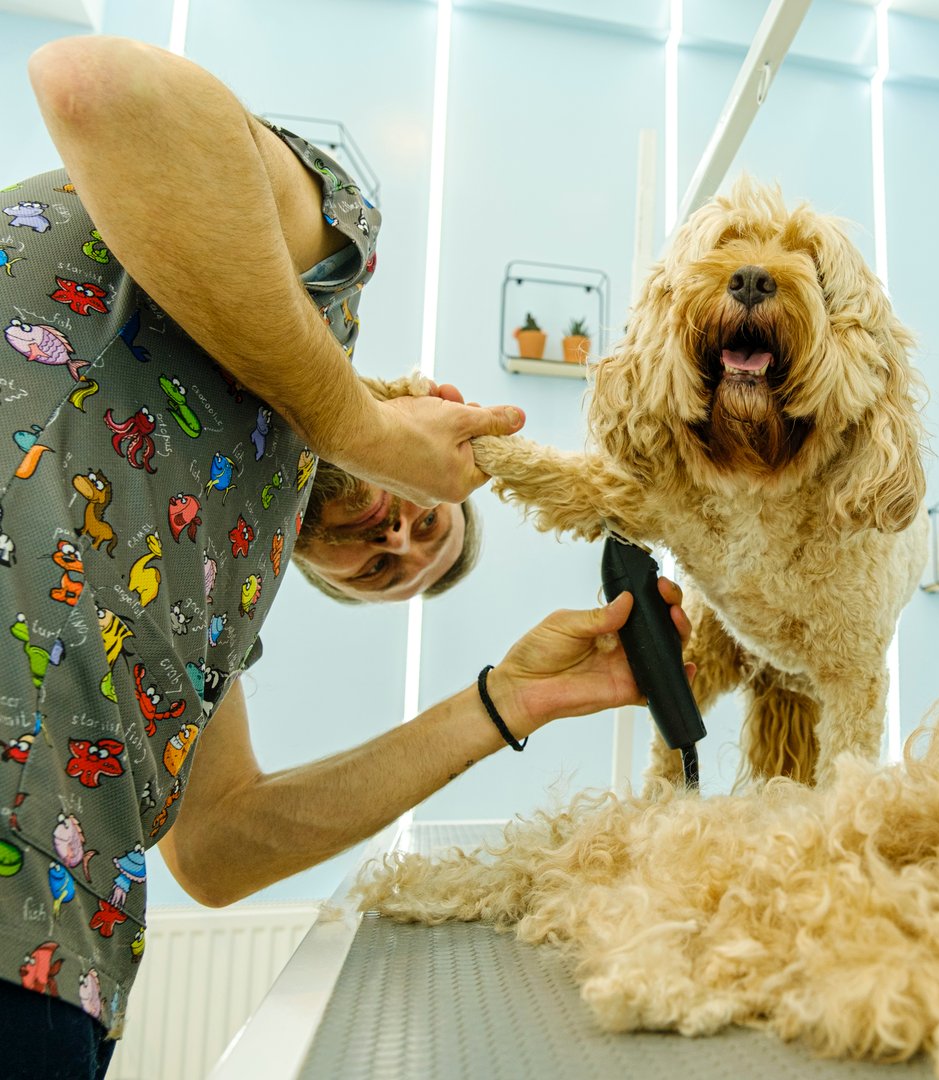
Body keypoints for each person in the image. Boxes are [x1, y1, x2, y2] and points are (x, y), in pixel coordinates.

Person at [2, 35, 689, 1078]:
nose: (395, 536)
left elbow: (219, 849)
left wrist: (510, 700)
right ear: (440, 409)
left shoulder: (198, 600)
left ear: (298, 574)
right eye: (426, 513)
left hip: (46, 958)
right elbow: (95, 87)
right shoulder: (323, 271)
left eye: (391, 570)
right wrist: (353, 423)